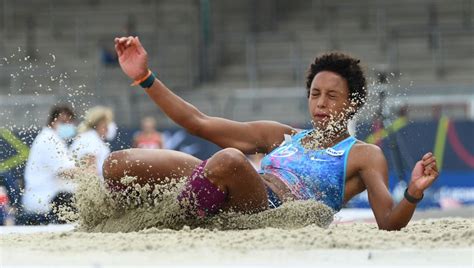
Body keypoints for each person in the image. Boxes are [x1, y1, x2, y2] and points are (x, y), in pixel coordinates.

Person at [104, 36, 439, 231]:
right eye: (315, 94)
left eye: (332, 96)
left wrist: (412, 192)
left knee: (231, 160)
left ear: (352, 105)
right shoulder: (282, 135)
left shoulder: (364, 154)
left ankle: (171, 222)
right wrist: (145, 76)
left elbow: (388, 222)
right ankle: (139, 216)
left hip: (271, 207)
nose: (320, 104)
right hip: (225, 182)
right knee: (118, 164)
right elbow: (198, 122)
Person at [21, 104, 78, 224]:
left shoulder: (55, 139)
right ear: (53, 121)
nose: (66, 125)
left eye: (69, 122)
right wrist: (90, 176)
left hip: (52, 197)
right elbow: (66, 172)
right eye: (63, 122)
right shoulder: (49, 140)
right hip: (44, 199)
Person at [70, 106, 115, 177]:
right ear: (101, 124)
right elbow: (90, 171)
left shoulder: (94, 138)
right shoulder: (89, 138)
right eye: (108, 122)